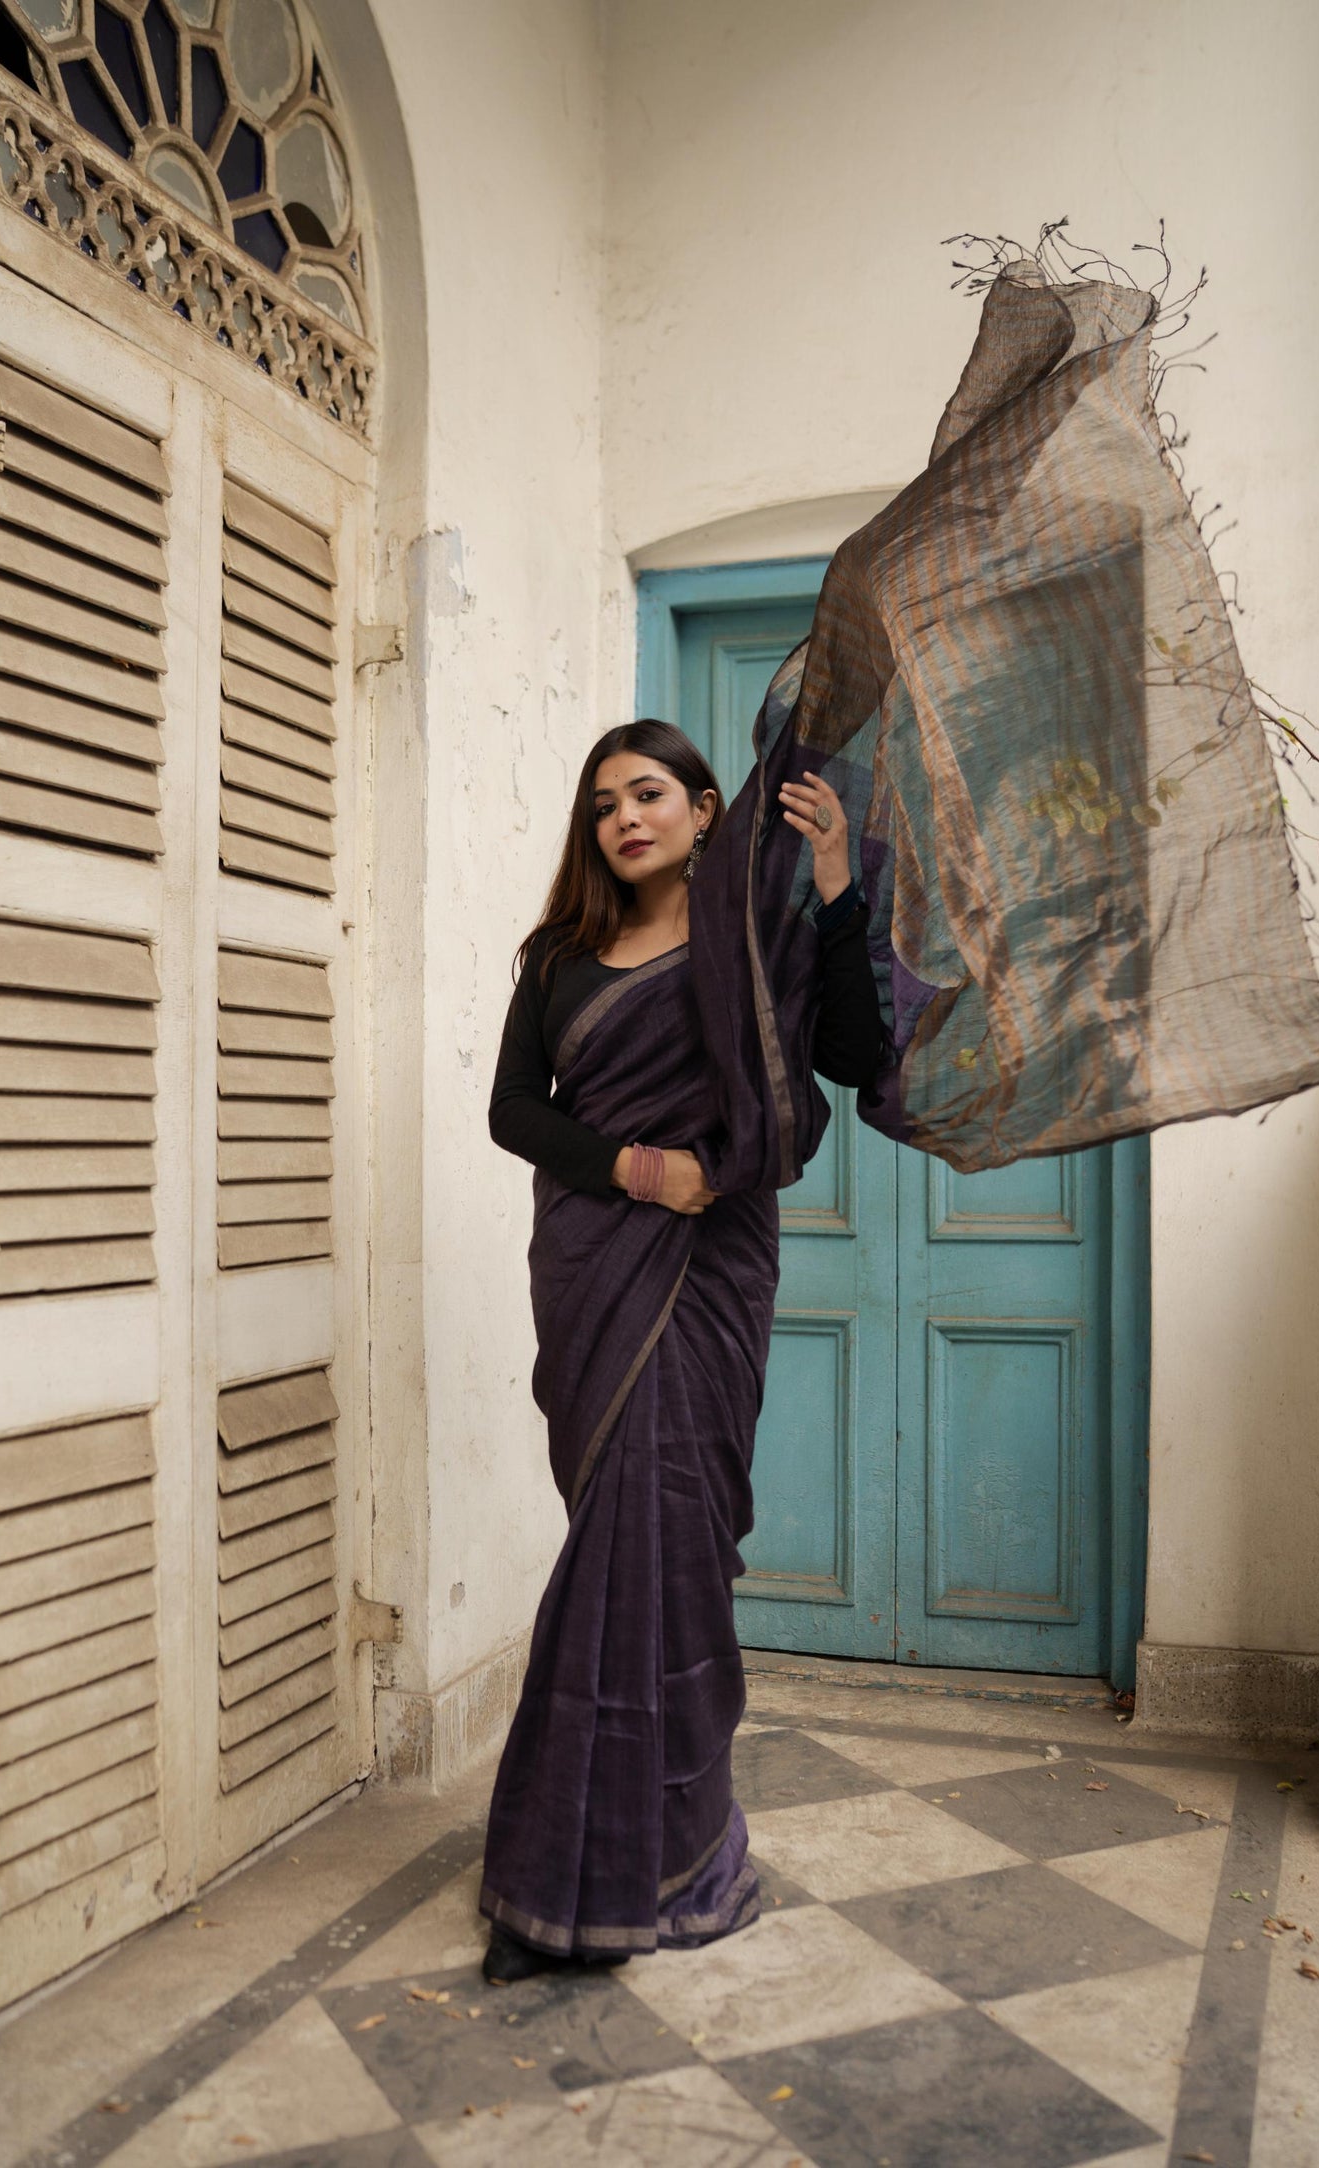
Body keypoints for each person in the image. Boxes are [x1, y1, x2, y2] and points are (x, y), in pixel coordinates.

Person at [480, 718, 885, 1983]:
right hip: (599, 1266)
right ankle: (575, 1866)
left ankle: (645, 1859)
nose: (624, 818)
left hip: (707, 1276)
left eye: (648, 793)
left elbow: (860, 1061)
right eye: (601, 802)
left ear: (707, 810)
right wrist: (633, 1167)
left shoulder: (750, 944)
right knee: (616, 1536)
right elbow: (512, 1111)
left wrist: (831, 890)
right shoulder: (557, 959)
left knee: (668, 1548)